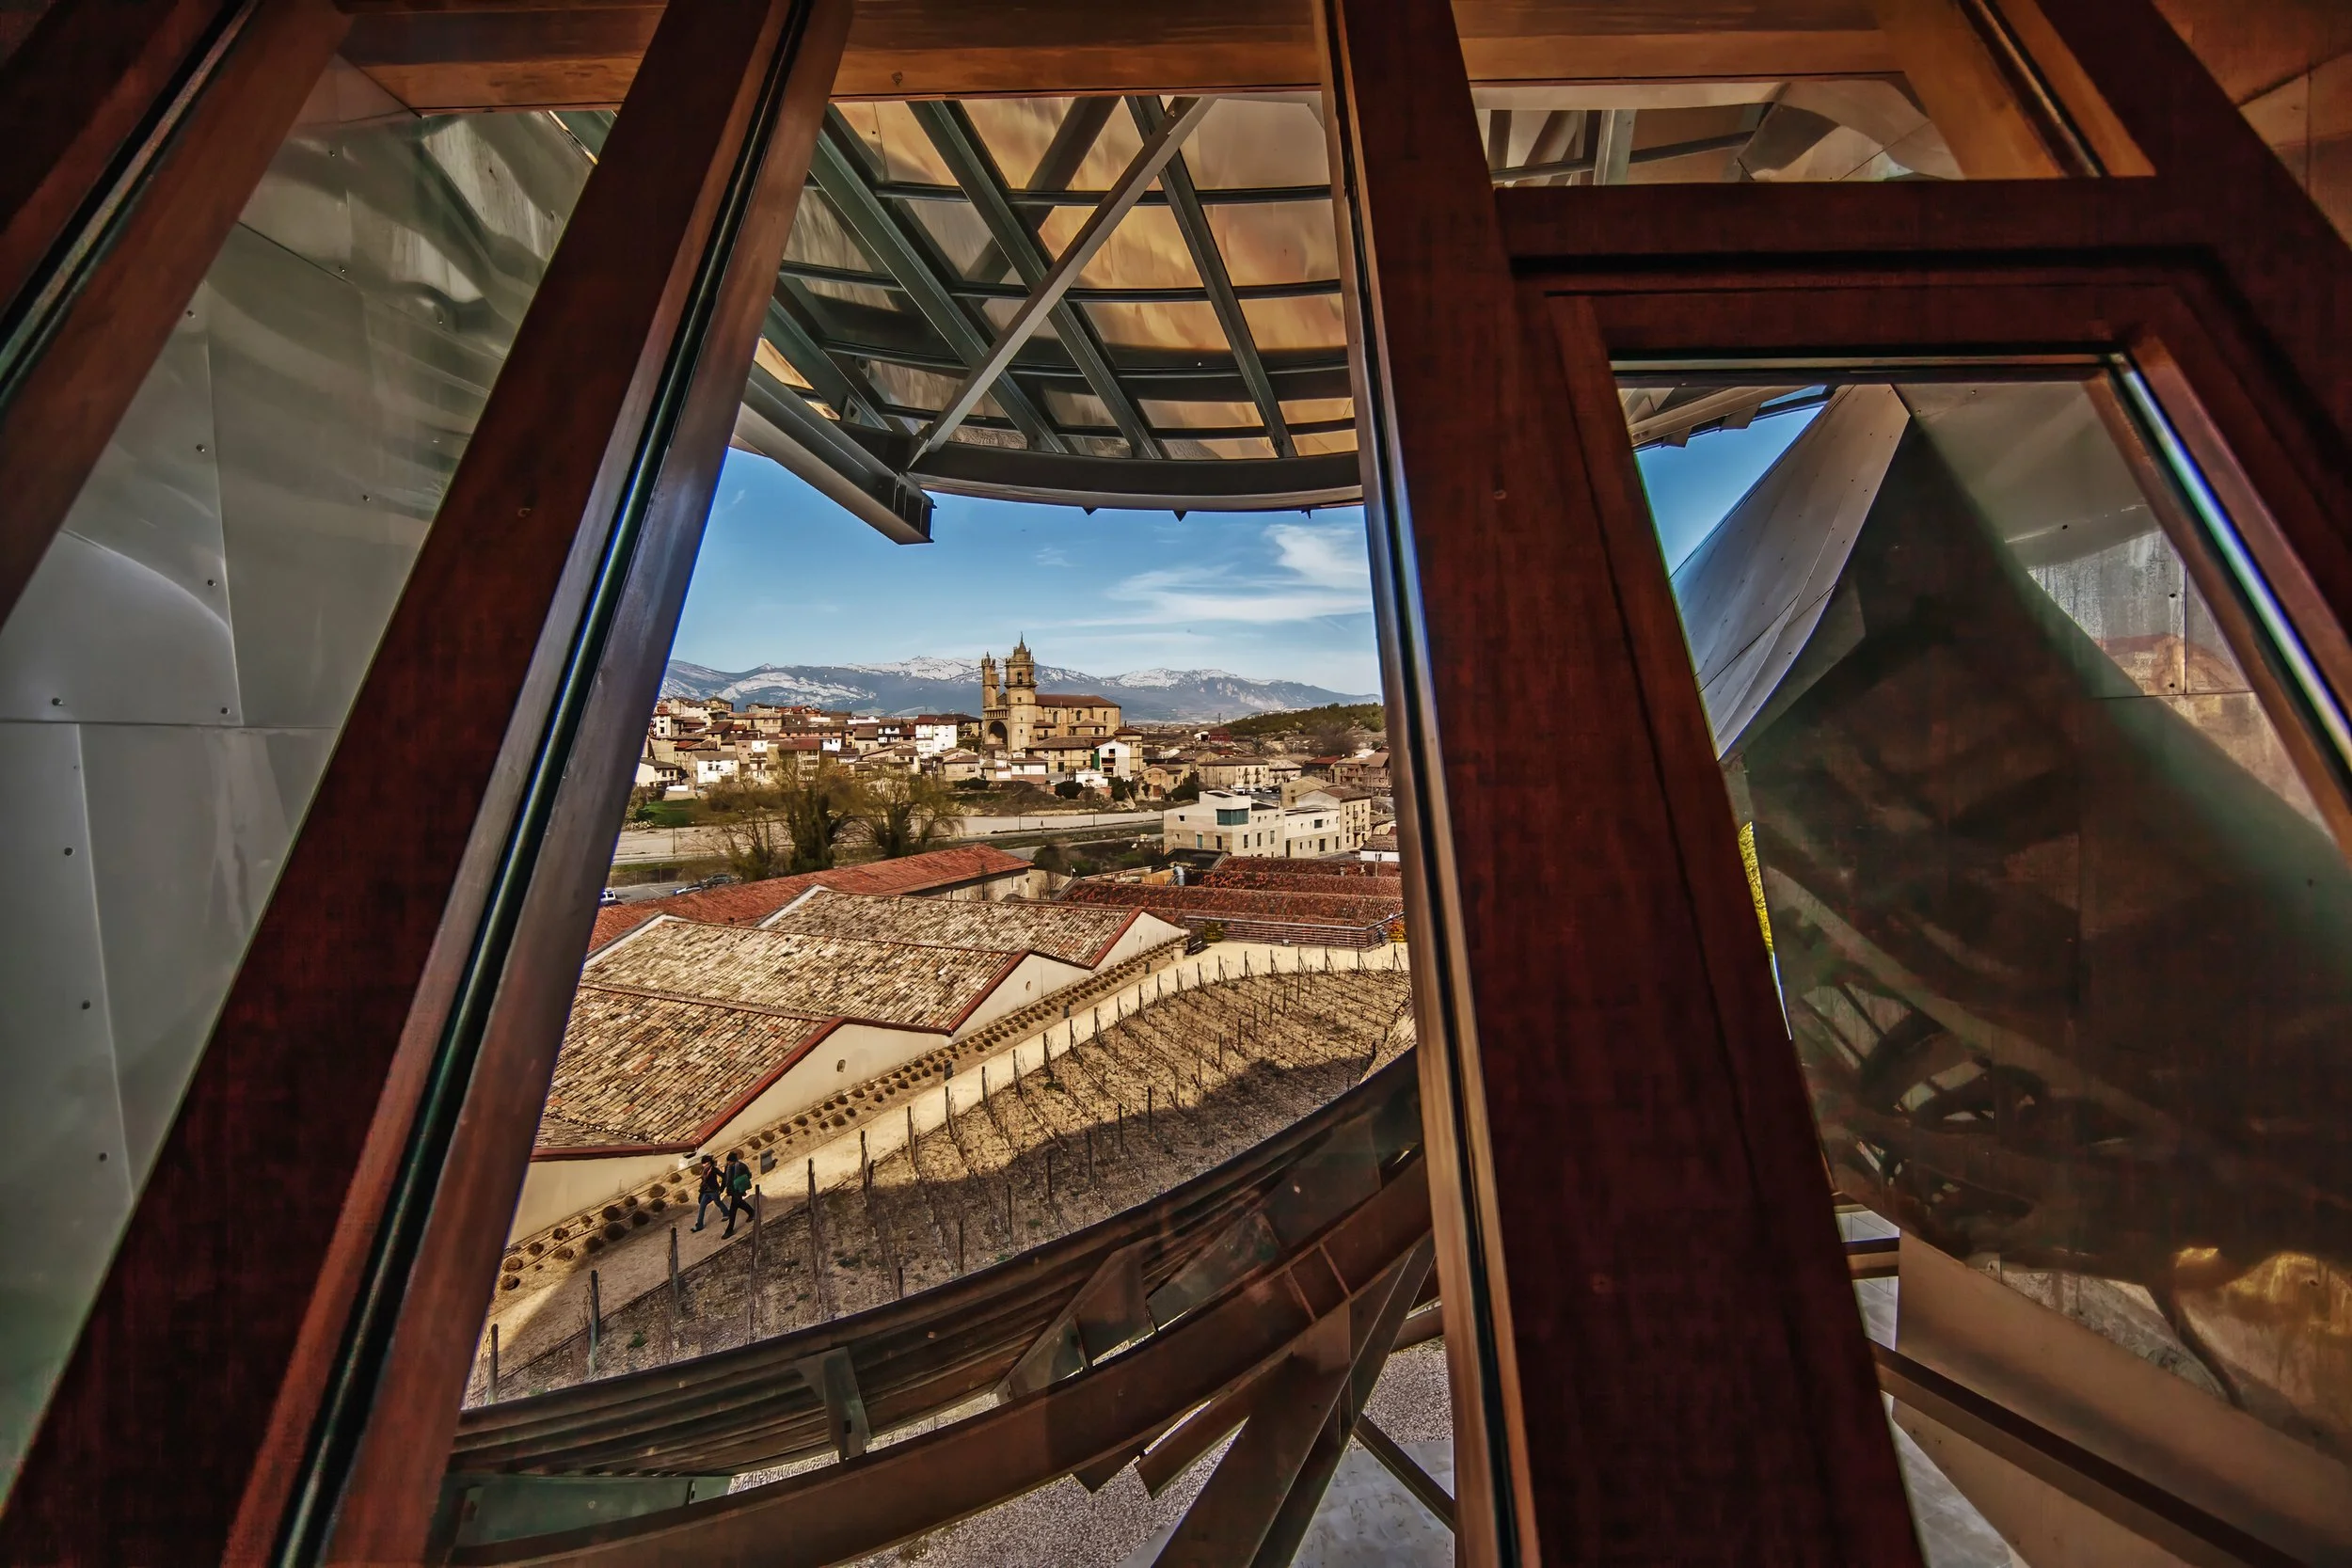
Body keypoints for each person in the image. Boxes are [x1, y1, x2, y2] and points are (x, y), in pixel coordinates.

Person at [722, 1150, 756, 1237]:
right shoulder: (728, 1167)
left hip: (738, 1190)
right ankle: (752, 1213)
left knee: (733, 1209)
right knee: (739, 1204)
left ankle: (729, 1230)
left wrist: (741, 1183)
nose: (728, 1163)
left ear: (734, 1161)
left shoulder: (741, 1166)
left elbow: (748, 1176)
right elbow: (725, 1179)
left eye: (730, 1161)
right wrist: (722, 1189)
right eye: (728, 1161)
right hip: (732, 1190)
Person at [691, 1154, 723, 1232]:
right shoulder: (704, 1171)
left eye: (704, 1163)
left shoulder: (714, 1169)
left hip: (714, 1190)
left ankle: (726, 1213)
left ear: (708, 1163)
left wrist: (722, 1187)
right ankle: (699, 1225)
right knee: (702, 1207)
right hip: (706, 1192)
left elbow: (723, 1176)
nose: (703, 1165)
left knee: (718, 1203)